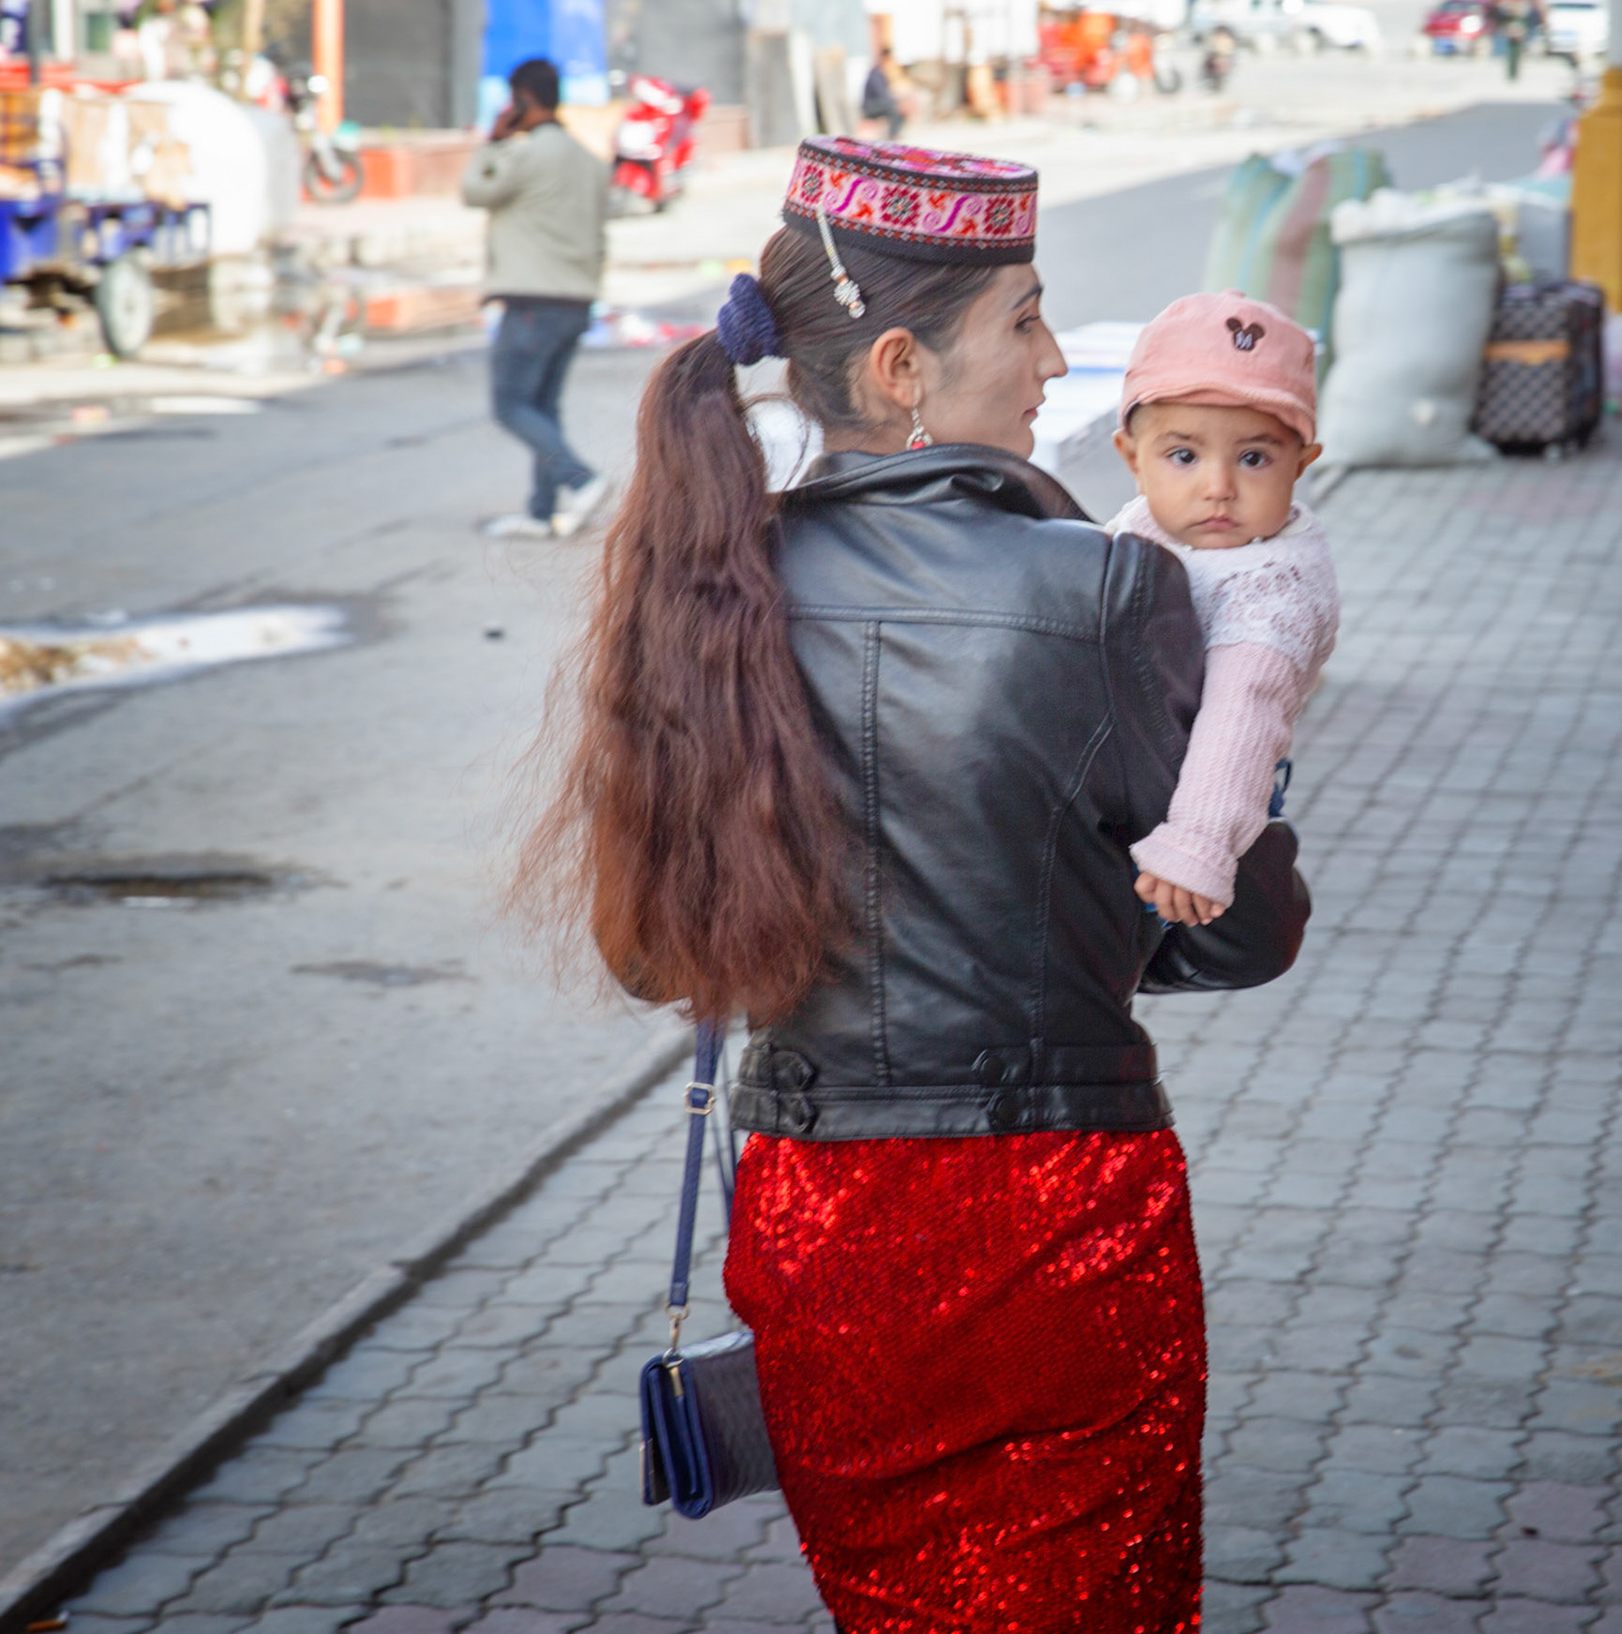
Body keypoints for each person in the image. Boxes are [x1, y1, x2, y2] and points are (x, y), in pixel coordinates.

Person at [526, 136, 1310, 1631]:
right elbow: (1234, 940)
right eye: (1022, 317)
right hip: (1051, 1220)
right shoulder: (1099, 588)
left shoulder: (709, 586)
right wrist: (1245, 769)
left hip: (819, 1226)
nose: (1057, 357)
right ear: (900, 365)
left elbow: (658, 960)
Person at [1107, 292, 1339, 927]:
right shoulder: (1146, 524)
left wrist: (1201, 844)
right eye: (1183, 456)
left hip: (1210, 802)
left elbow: (1244, 715)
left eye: (1254, 458)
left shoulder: (1274, 588)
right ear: (1133, 459)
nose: (1218, 487)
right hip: (1153, 767)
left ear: (1301, 465)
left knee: (1150, 939)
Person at [461, 56, 610, 540]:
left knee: (510, 404)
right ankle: (541, 511)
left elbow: (473, 190)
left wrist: (494, 140)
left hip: (531, 302)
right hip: (577, 300)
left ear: (523, 99)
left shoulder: (523, 156)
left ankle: (581, 479)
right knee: (544, 407)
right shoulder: (588, 161)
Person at [860, 47, 905, 139]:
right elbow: (881, 93)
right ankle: (893, 134)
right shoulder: (875, 73)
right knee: (894, 107)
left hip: (878, 102)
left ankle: (895, 132)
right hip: (871, 106)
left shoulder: (881, 72)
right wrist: (894, 99)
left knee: (900, 107)